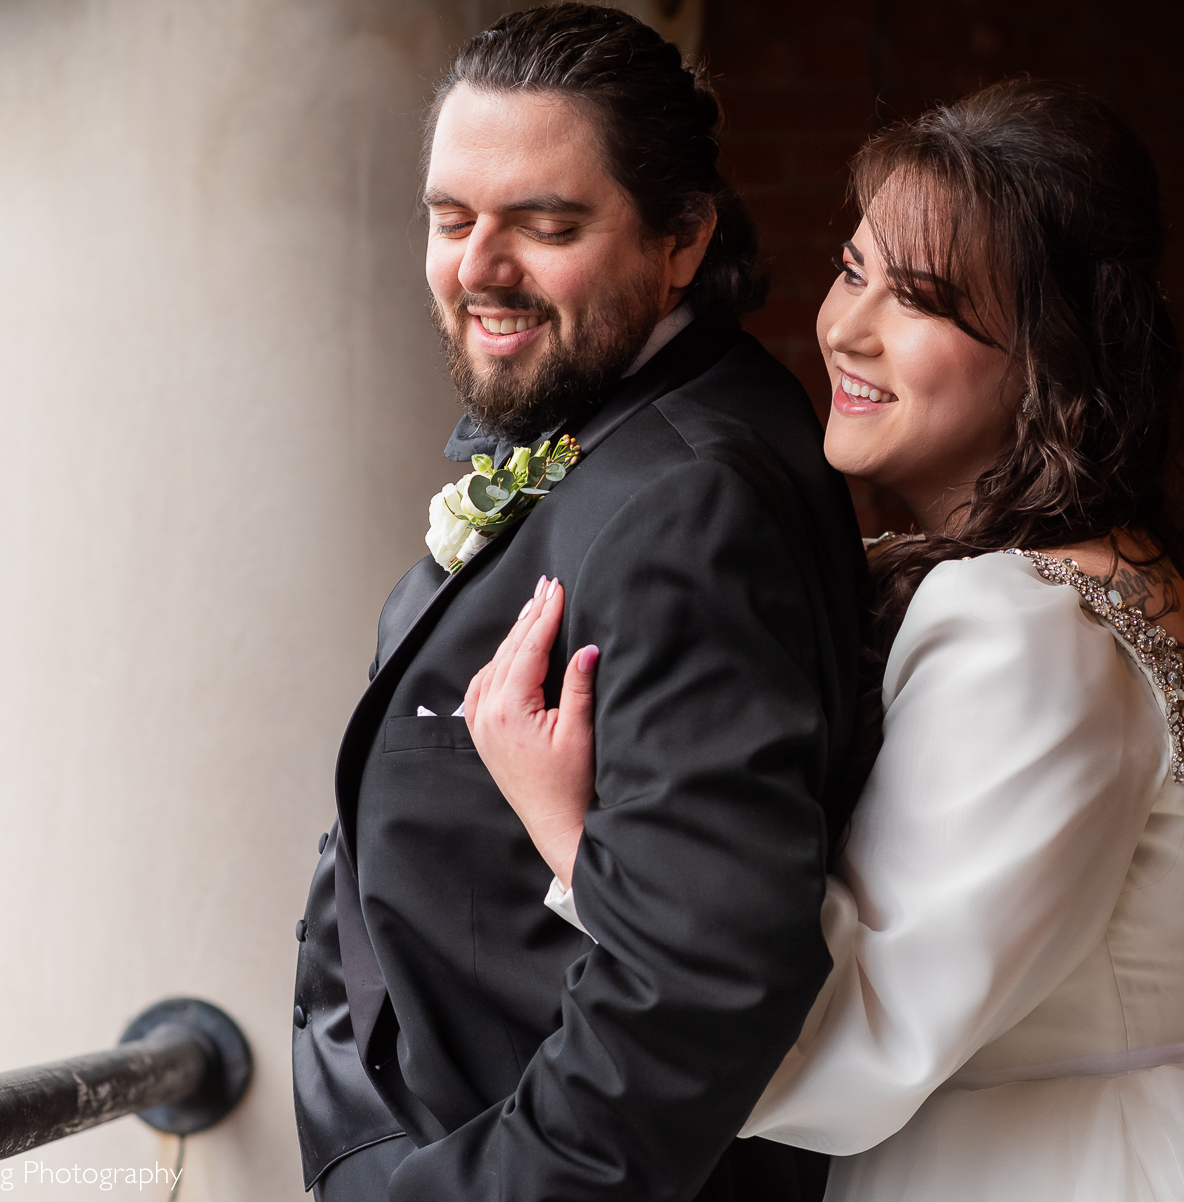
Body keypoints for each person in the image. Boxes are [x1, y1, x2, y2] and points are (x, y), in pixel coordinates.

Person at [467, 81, 1184, 1201]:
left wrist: (571, 831)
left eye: (921, 298)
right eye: (853, 269)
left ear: (1048, 353)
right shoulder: (1120, 572)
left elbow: (862, 1037)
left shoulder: (1025, 627)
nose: (847, 329)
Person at [289, 8, 865, 1201]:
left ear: (683, 239)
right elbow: (356, 862)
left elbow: (699, 982)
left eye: (545, 226)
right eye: (451, 220)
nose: (478, 268)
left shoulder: (691, 501)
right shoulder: (597, 427)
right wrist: (357, 1154)